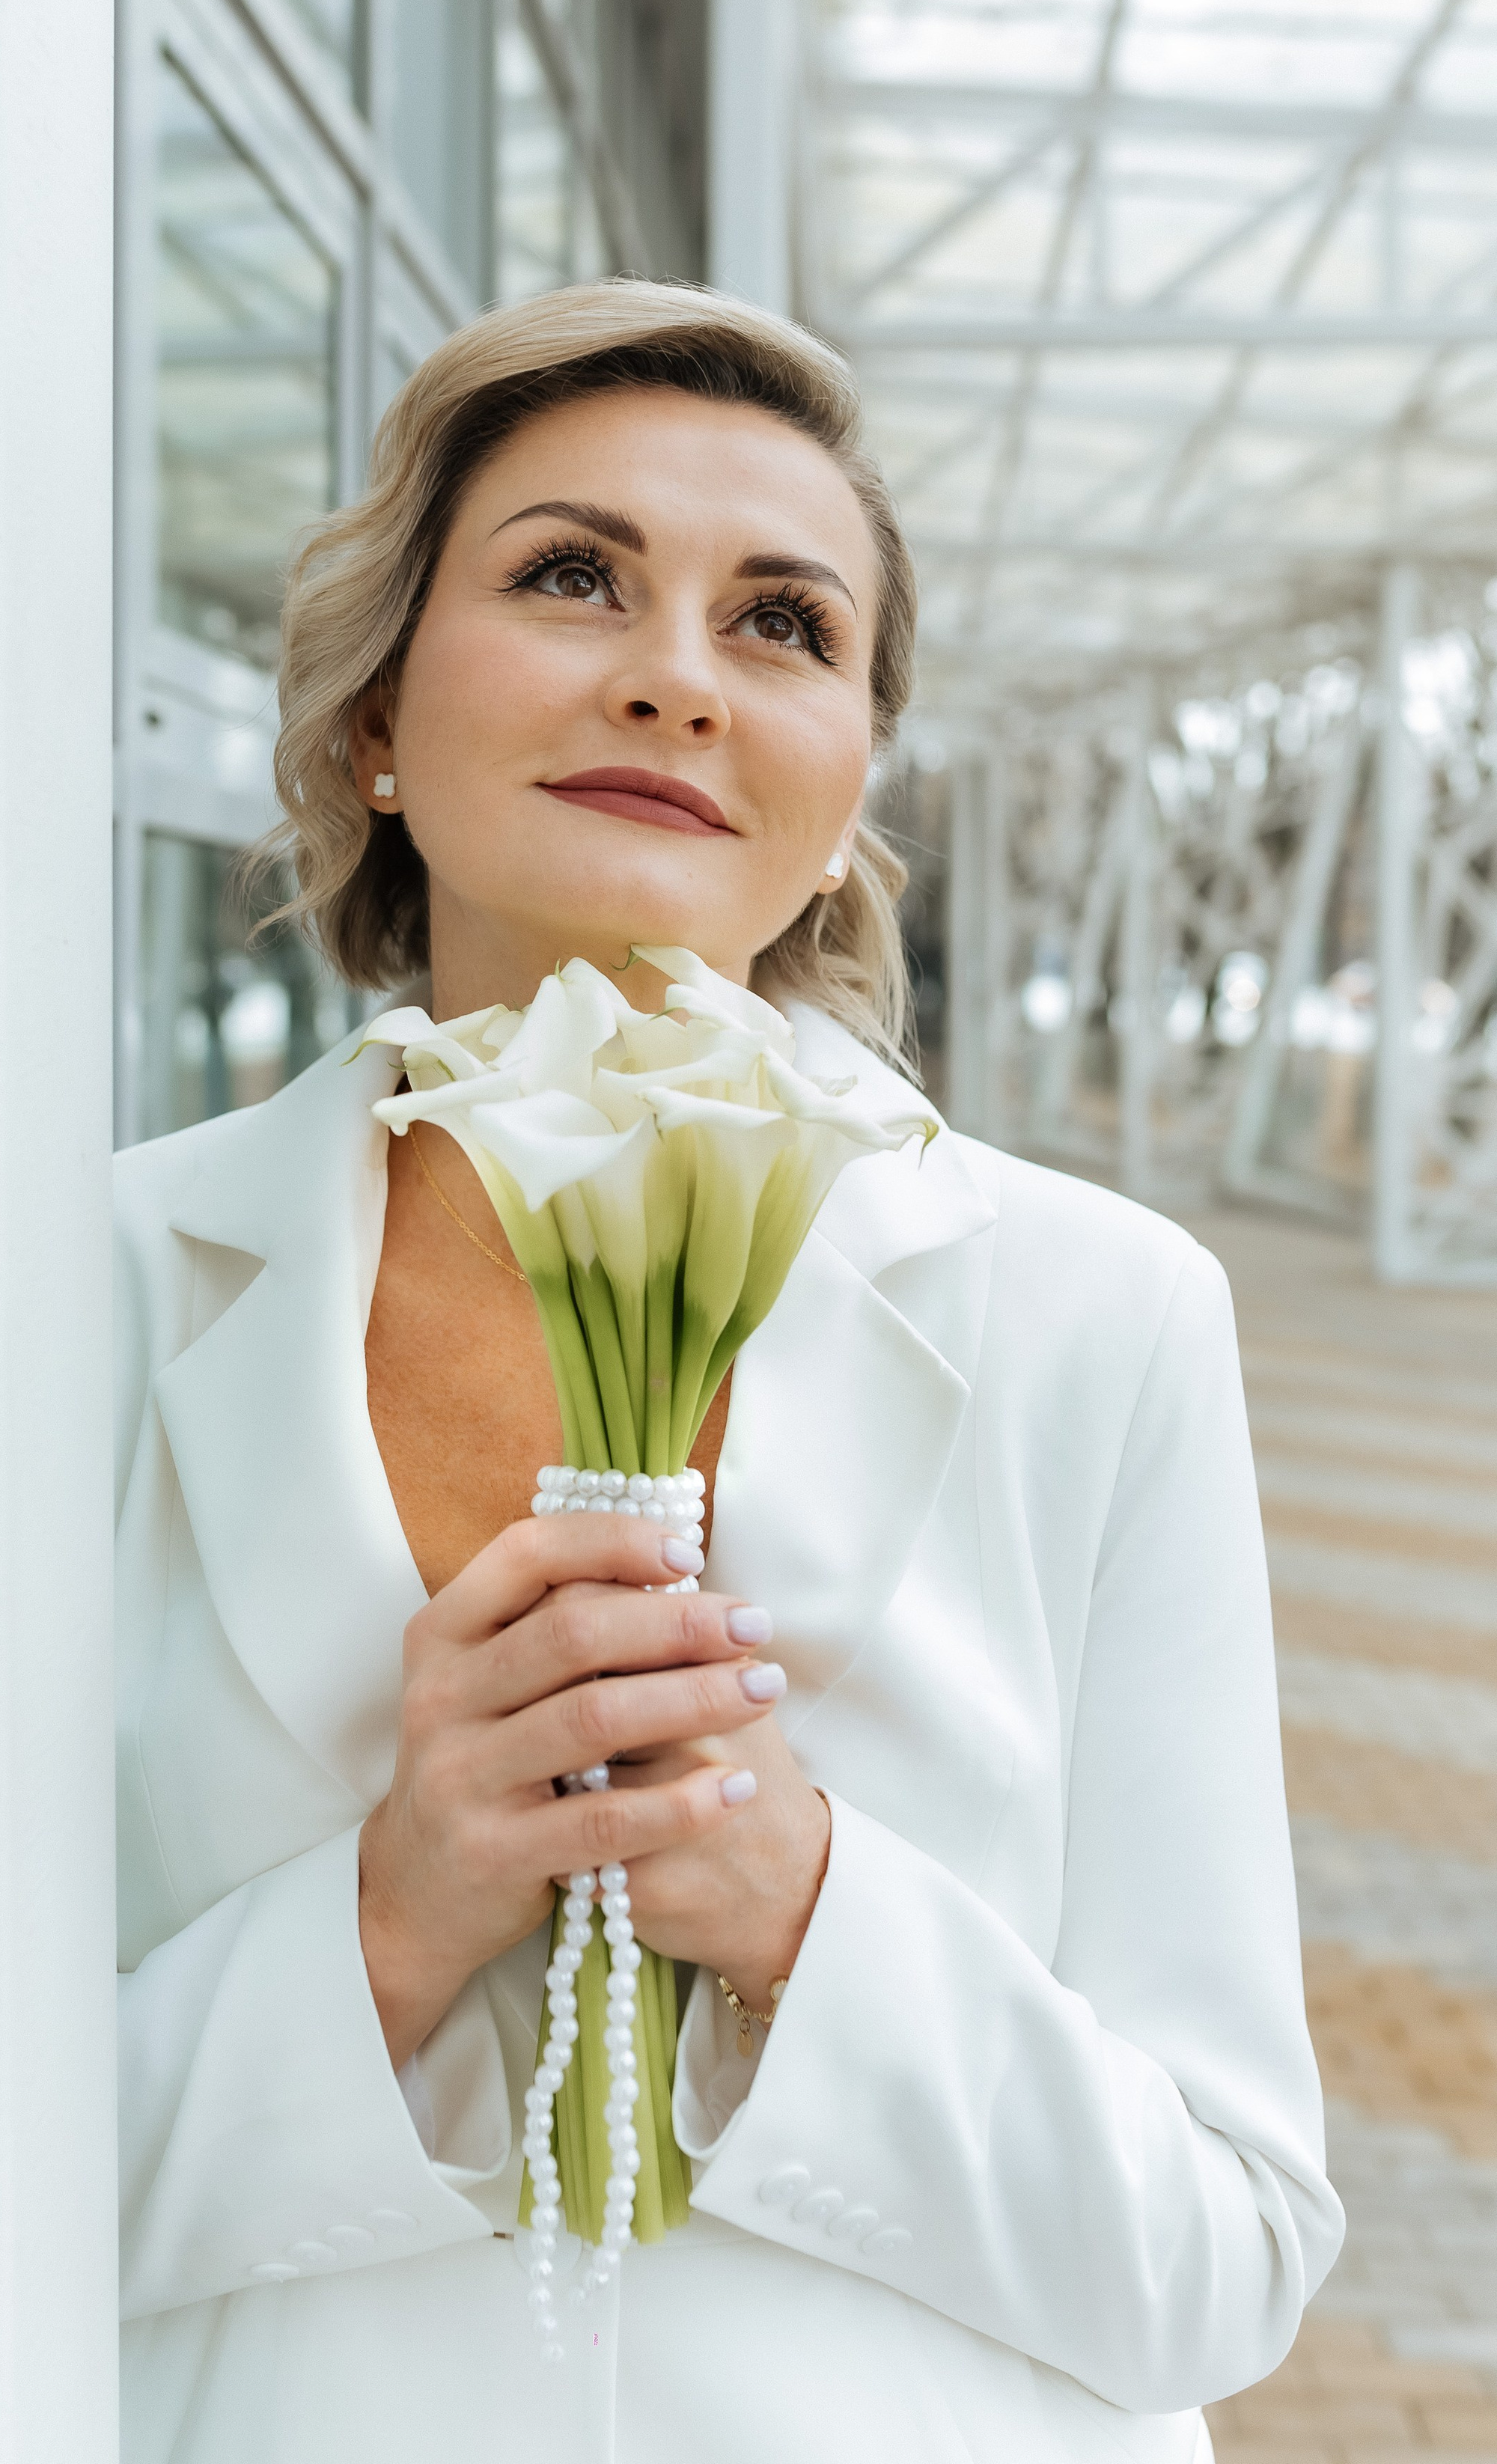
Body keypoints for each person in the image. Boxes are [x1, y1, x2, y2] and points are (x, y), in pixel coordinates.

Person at [114, 281, 1341, 2463]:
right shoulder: (88, 1292)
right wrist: (387, 1930)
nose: (676, 673)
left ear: (849, 773)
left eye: (783, 625)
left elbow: (1222, 2260)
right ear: (375, 717)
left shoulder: (1102, 1316)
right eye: (572, 575)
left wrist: (802, 1915)